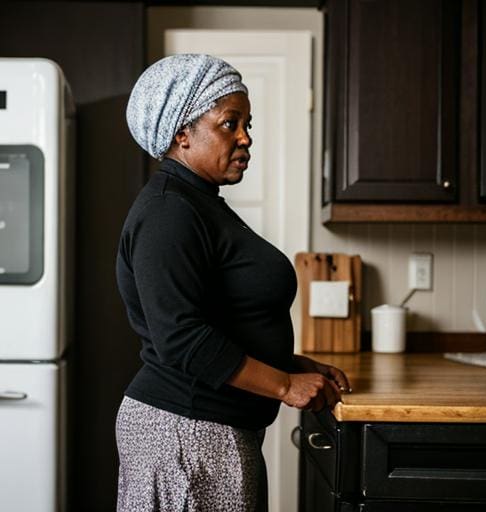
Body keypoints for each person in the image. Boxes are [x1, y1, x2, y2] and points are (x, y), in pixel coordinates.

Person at [115, 53, 351, 512]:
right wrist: (284, 385)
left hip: (208, 432)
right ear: (181, 133)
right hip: (185, 434)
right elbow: (182, 339)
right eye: (230, 123)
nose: (246, 138)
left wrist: (292, 362)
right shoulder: (168, 211)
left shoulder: (199, 203)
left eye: (248, 123)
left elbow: (221, 317)